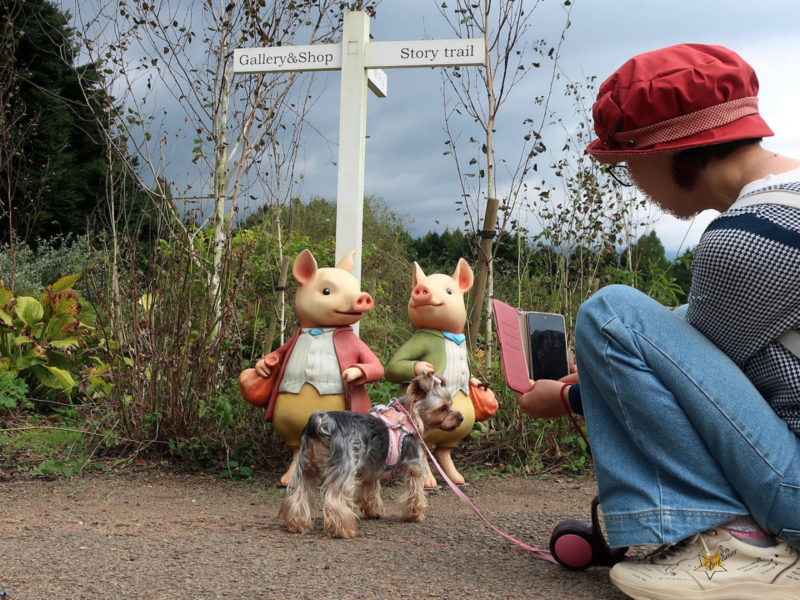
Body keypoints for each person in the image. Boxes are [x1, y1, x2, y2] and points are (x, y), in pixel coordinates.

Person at [514, 44, 800, 599]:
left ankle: (739, 549)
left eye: (627, 167)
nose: (635, 185)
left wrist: (570, 398)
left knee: (611, 314)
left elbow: (695, 395)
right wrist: (597, 374)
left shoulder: (749, 238)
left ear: (666, 151)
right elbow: (703, 342)